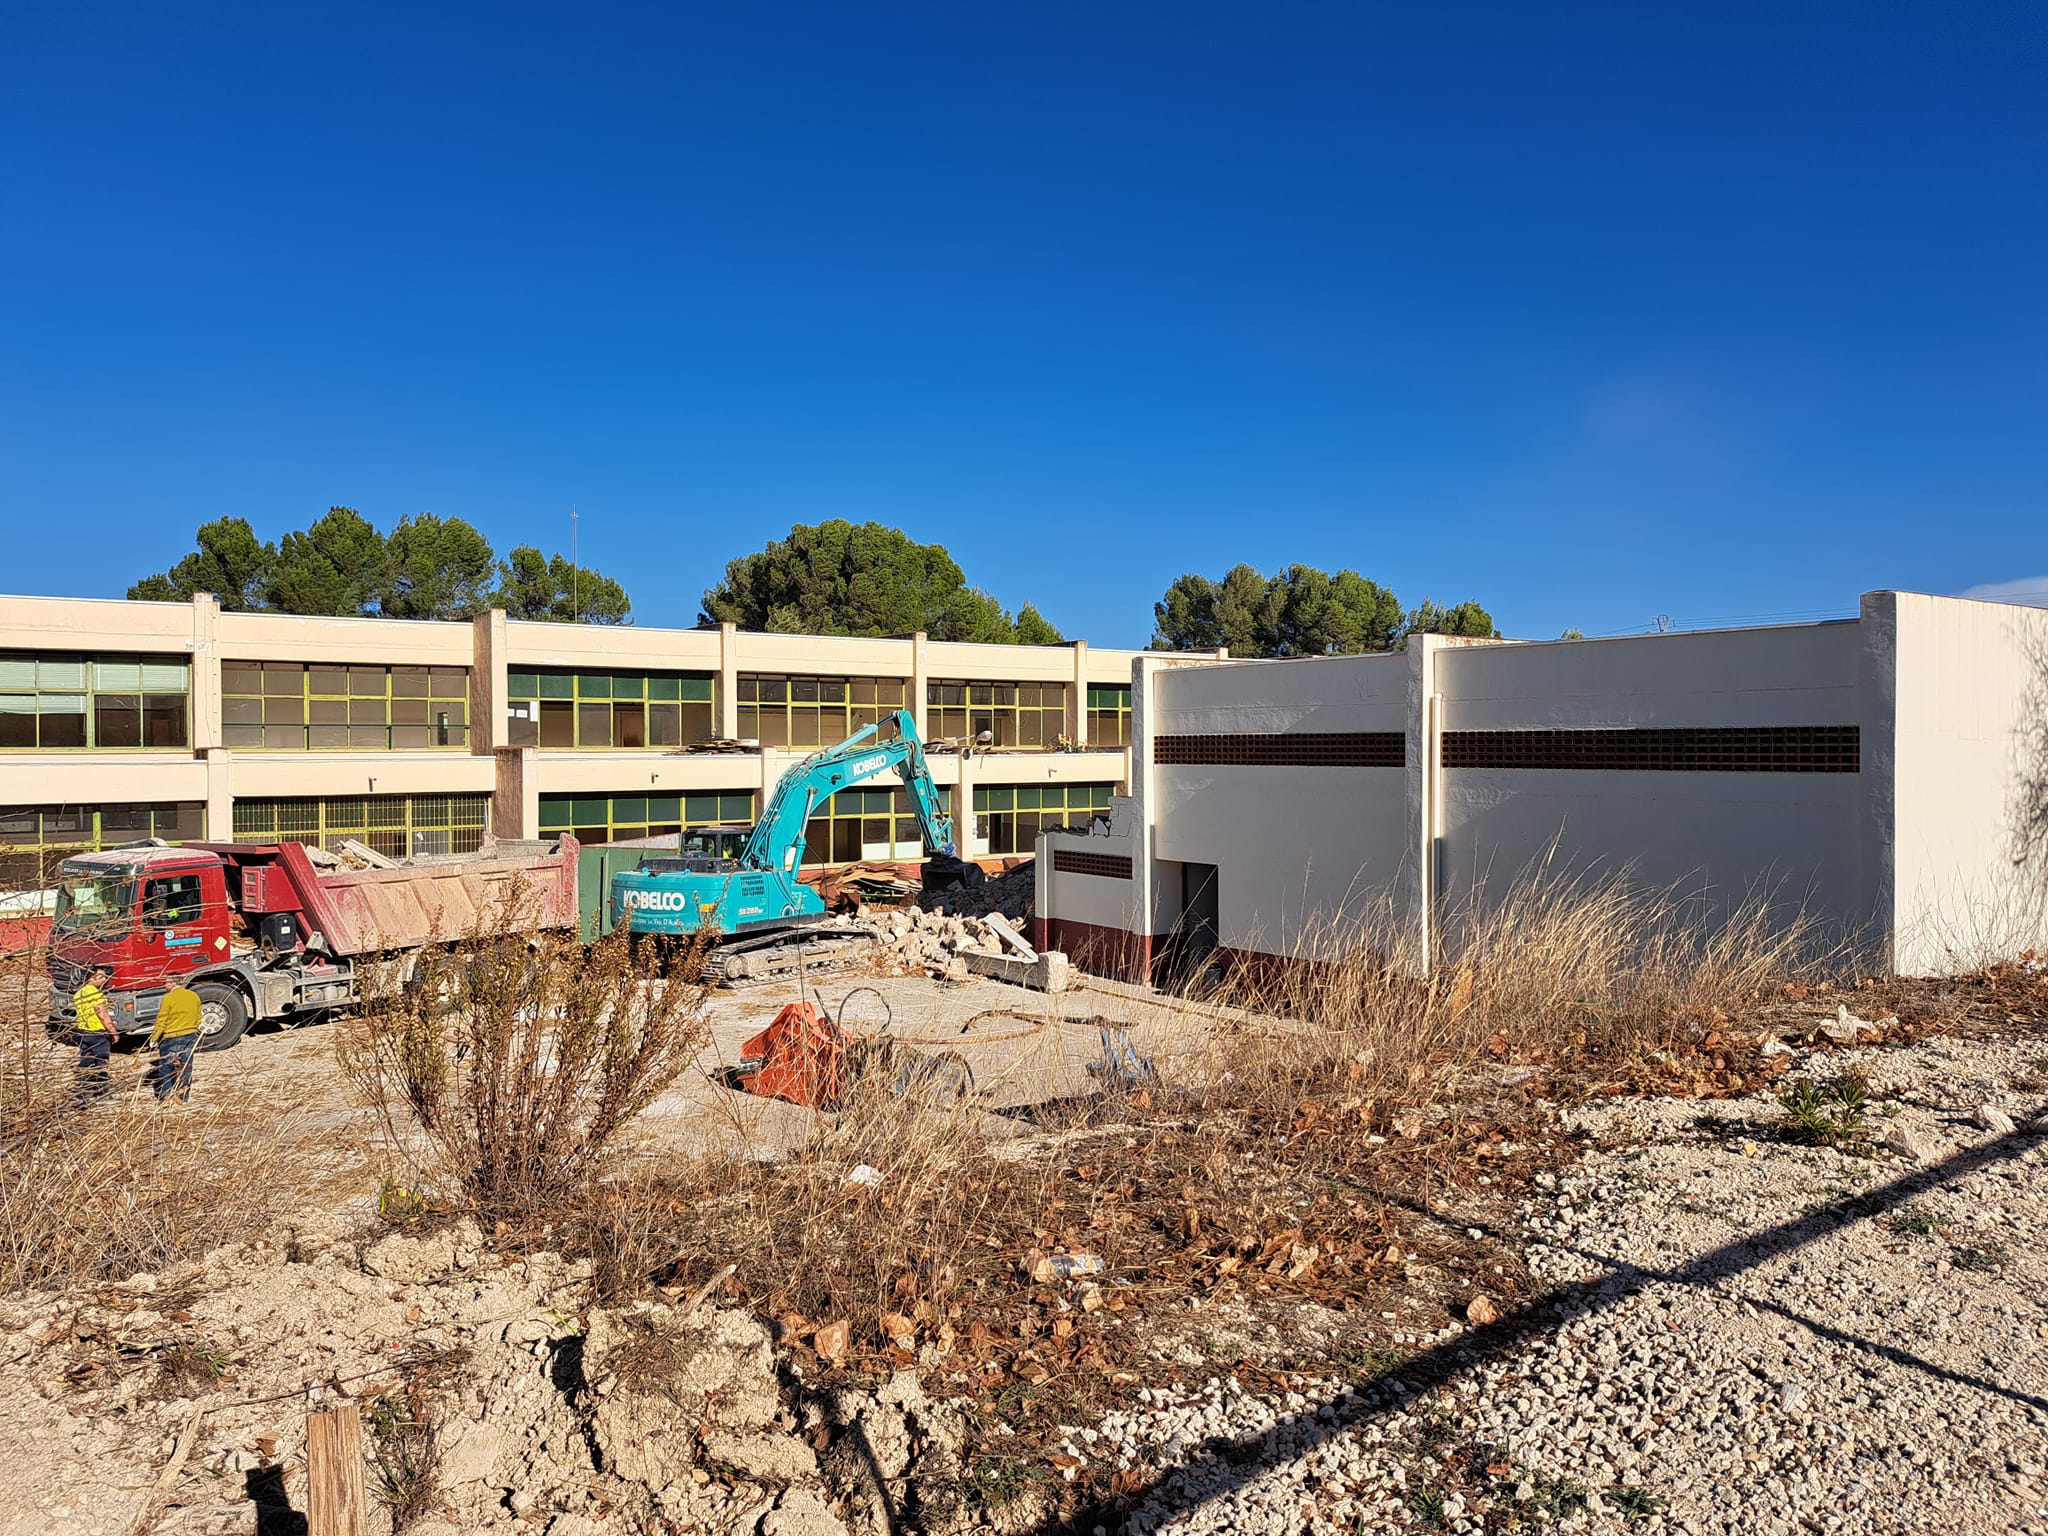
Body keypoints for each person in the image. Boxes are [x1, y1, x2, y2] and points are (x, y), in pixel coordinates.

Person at [147, 982, 202, 1104]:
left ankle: (167, 1095)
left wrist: (154, 1038)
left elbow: (162, 1019)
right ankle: (183, 1096)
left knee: (166, 1066)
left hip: (172, 1037)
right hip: (190, 1035)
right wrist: (194, 1027)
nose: (163, 985)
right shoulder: (194, 996)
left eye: (165, 983)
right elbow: (199, 1016)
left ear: (173, 983)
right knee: (185, 1066)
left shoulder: (168, 998)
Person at [71, 964, 116, 1109]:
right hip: (98, 1033)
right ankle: (101, 1093)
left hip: (83, 1032)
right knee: (101, 1063)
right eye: (100, 976)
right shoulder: (96, 994)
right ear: (91, 978)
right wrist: (113, 1031)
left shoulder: (79, 994)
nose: (104, 979)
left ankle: (80, 1094)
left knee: (86, 1063)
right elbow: (102, 1014)